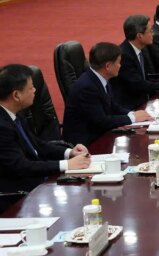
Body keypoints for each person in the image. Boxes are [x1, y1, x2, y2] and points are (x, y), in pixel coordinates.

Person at [0, 64, 91, 210]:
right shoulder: (2, 126)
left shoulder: (15, 114)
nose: (35, 90)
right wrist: (66, 165)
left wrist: (70, 152)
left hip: (38, 182)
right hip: (18, 196)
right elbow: (21, 166)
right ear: (16, 95)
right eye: (31, 88)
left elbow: (37, 145)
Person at [62, 42, 153, 146]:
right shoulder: (87, 88)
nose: (120, 66)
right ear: (108, 66)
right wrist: (133, 118)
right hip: (85, 145)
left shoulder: (101, 78)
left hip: (99, 135)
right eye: (118, 62)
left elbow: (113, 107)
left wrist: (132, 114)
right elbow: (101, 121)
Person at [112, 15, 159, 109]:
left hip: (144, 102)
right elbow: (138, 84)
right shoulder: (124, 55)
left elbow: (145, 78)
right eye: (150, 31)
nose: (153, 34)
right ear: (139, 36)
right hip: (131, 107)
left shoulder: (141, 49)